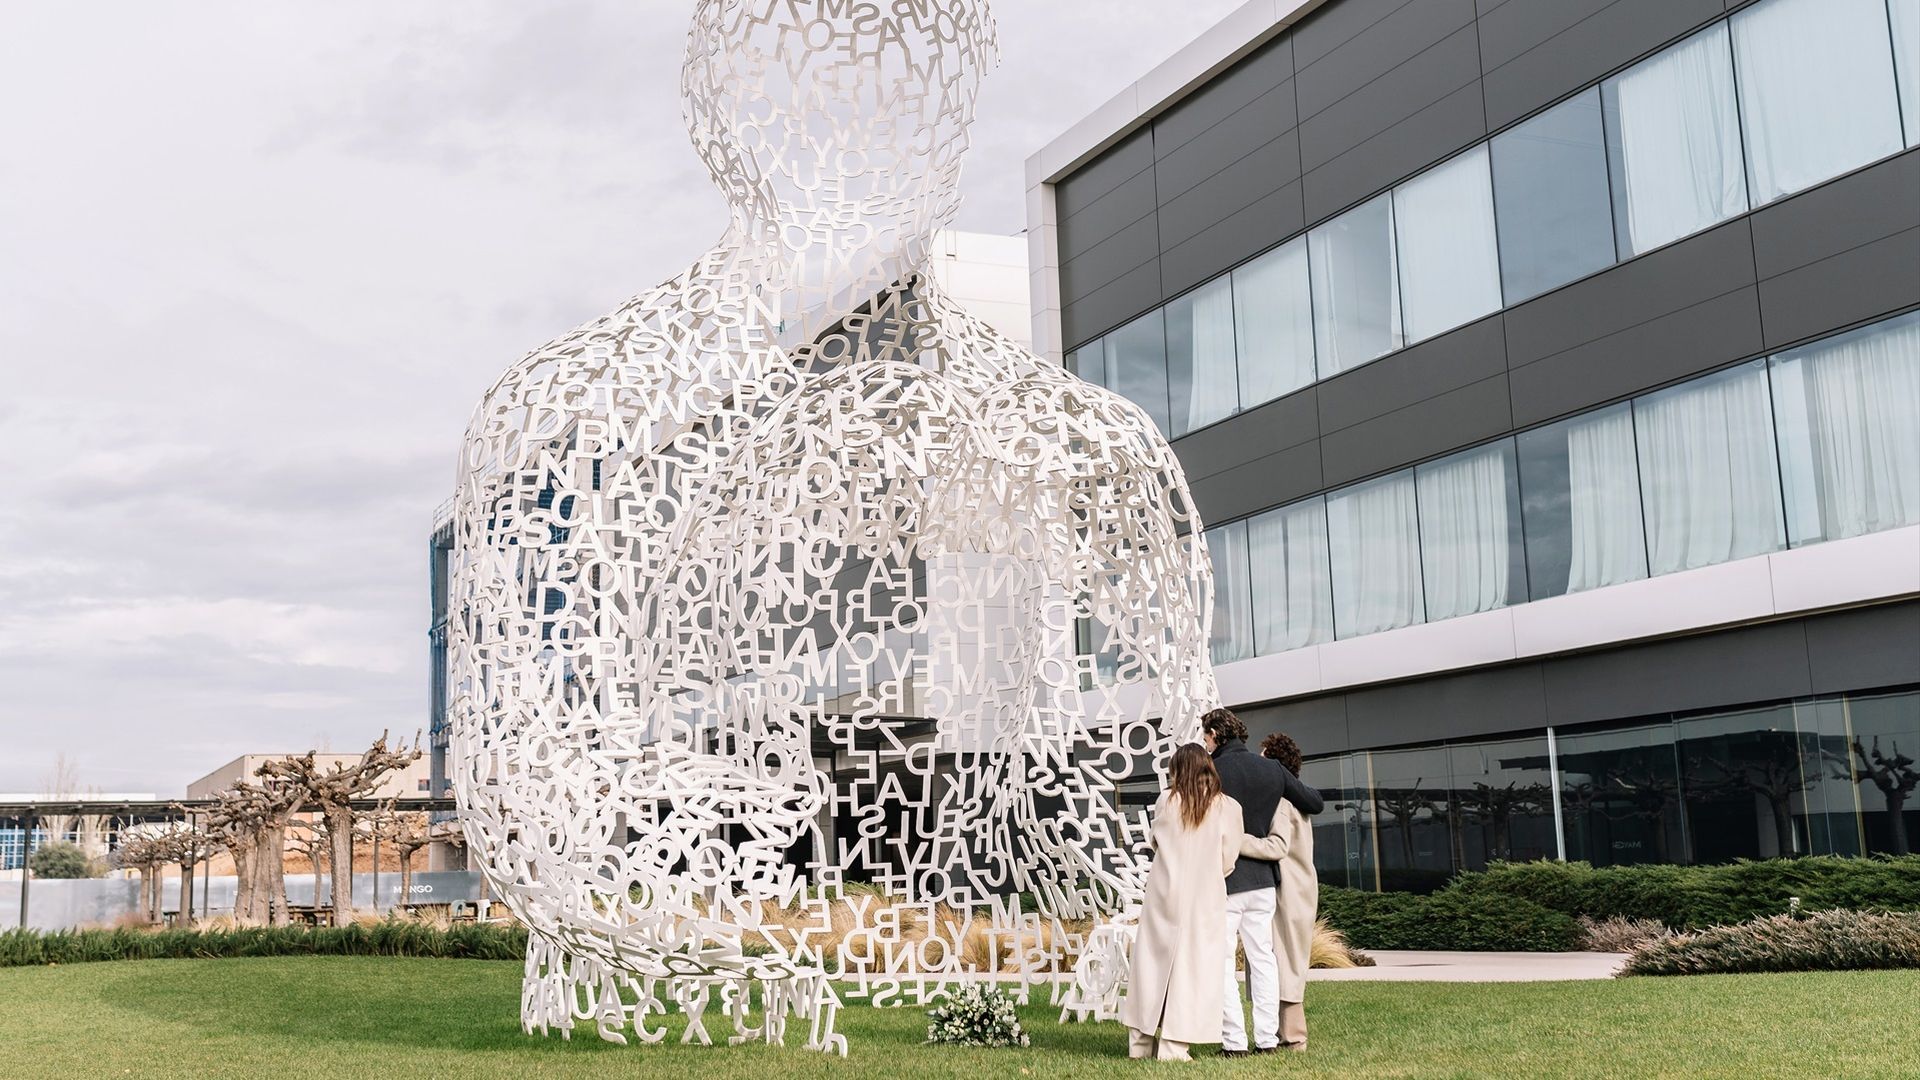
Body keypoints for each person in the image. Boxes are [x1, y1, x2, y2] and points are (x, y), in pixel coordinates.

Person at [1201, 706, 1323, 1057]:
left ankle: (1234, 1042)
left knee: (1224, 962)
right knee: (1264, 960)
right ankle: (1267, 1040)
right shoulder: (1271, 769)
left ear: (1214, 735)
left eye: (1205, 736)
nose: (1204, 743)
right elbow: (1313, 801)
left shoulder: (1211, 770)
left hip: (1225, 880)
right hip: (1265, 884)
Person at [1120, 743, 1242, 1061]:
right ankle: (1175, 1046)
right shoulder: (1227, 807)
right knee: (1193, 971)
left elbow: (1155, 840)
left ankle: (1140, 1044)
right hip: (1205, 897)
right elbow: (1228, 860)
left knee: (1150, 967)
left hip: (1163, 893)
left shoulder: (1166, 800)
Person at [1241, 731, 1318, 1052]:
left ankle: (1292, 1037)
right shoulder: (1297, 800)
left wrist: (1236, 839)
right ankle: (1284, 1036)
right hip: (1299, 888)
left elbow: (1276, 847)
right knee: (1287, 959)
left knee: (1282, 961)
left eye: (1262, 757)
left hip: (1286, 889)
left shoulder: (1283, 804)